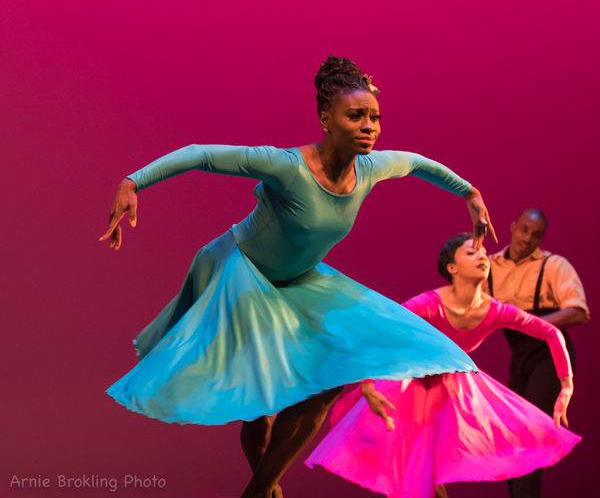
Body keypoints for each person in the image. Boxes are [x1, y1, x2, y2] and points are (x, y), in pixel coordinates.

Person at [99, 56, 494, 498]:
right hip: (238, 272)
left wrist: (470, 193)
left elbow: (419, 163)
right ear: (327, 120)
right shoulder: (288, 167)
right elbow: (202, 154)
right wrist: (133, 182)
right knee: (262, 401)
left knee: (324, 386)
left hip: (298, 282)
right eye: (356, 116)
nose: (370, 126)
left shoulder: (372, 168)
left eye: (375, 117)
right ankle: (264, 486)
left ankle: (260, 488)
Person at [305, 233, 580, 498]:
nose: (482, 256)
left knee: (427, 474)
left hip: (453, 391)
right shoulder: (429, 304)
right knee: (413, 473)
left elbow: (550, 333)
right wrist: (367, 386)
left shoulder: (495, 311)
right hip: (410, 386)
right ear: (452, 268)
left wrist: (566, 386)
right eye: (471, 252)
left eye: (483, 252)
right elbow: (381, 332)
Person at [485, 208, 590, 498]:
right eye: (524, 230)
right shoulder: (489, 266)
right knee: (510, 436)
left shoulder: (554, 265)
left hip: (551, 353)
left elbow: (579, 311)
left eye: (537, 235)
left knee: (528, 433)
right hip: (520, 357)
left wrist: (534, 324)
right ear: (512, 227)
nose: (528, 239)